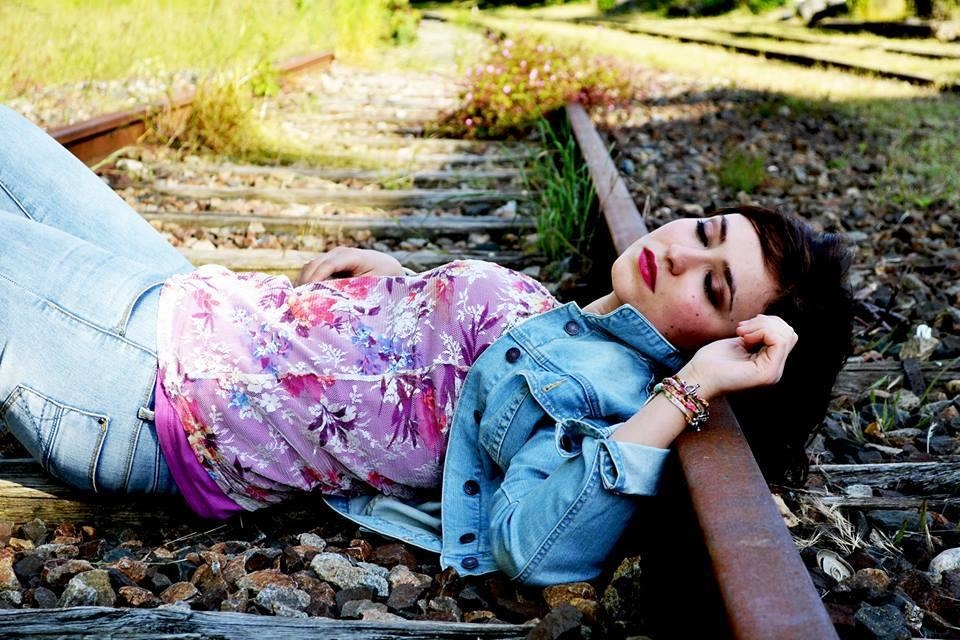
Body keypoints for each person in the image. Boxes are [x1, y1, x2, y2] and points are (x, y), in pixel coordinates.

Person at [0, 105, 852, 587]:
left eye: (714, 288)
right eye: (706, 231)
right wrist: (400, 289)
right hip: (186, 298)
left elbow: (532, 545)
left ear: (726, 342)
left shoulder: (606, 398)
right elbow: (454, 382)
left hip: (144, 386)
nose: (681, 253)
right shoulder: (575, 325)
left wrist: (690, 390)